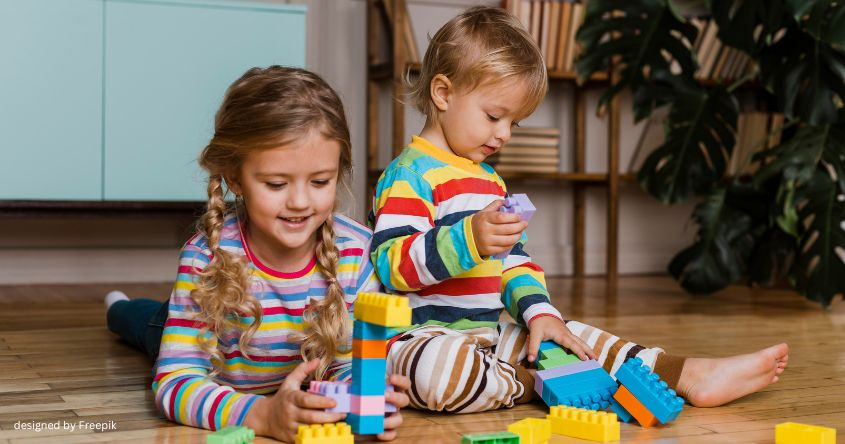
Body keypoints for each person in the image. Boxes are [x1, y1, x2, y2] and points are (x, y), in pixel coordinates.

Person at [369, 6, 788, 413]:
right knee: (438, 372)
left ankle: (686, 373)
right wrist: (469, 238)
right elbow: (392, 265)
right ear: (443, 93)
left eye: (514, 123)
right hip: (421, 337)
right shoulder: (409, 174)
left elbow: (514, 263)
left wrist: (541, 314)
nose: (504, 134)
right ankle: (530, 382)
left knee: (573, 338)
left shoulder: (491, 182)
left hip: (489, 335)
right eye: (495, 116)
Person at [106, 66, 409, 442]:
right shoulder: (205, 261)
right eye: (277, 184)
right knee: (143, 323)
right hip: (187, 332)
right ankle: (117, 307)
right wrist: (261, 415)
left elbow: (346, 362)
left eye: (320, 181)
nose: (300, 202)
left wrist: (362, 397)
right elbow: (175, 382)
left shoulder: (356, 254)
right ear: (235, 178)